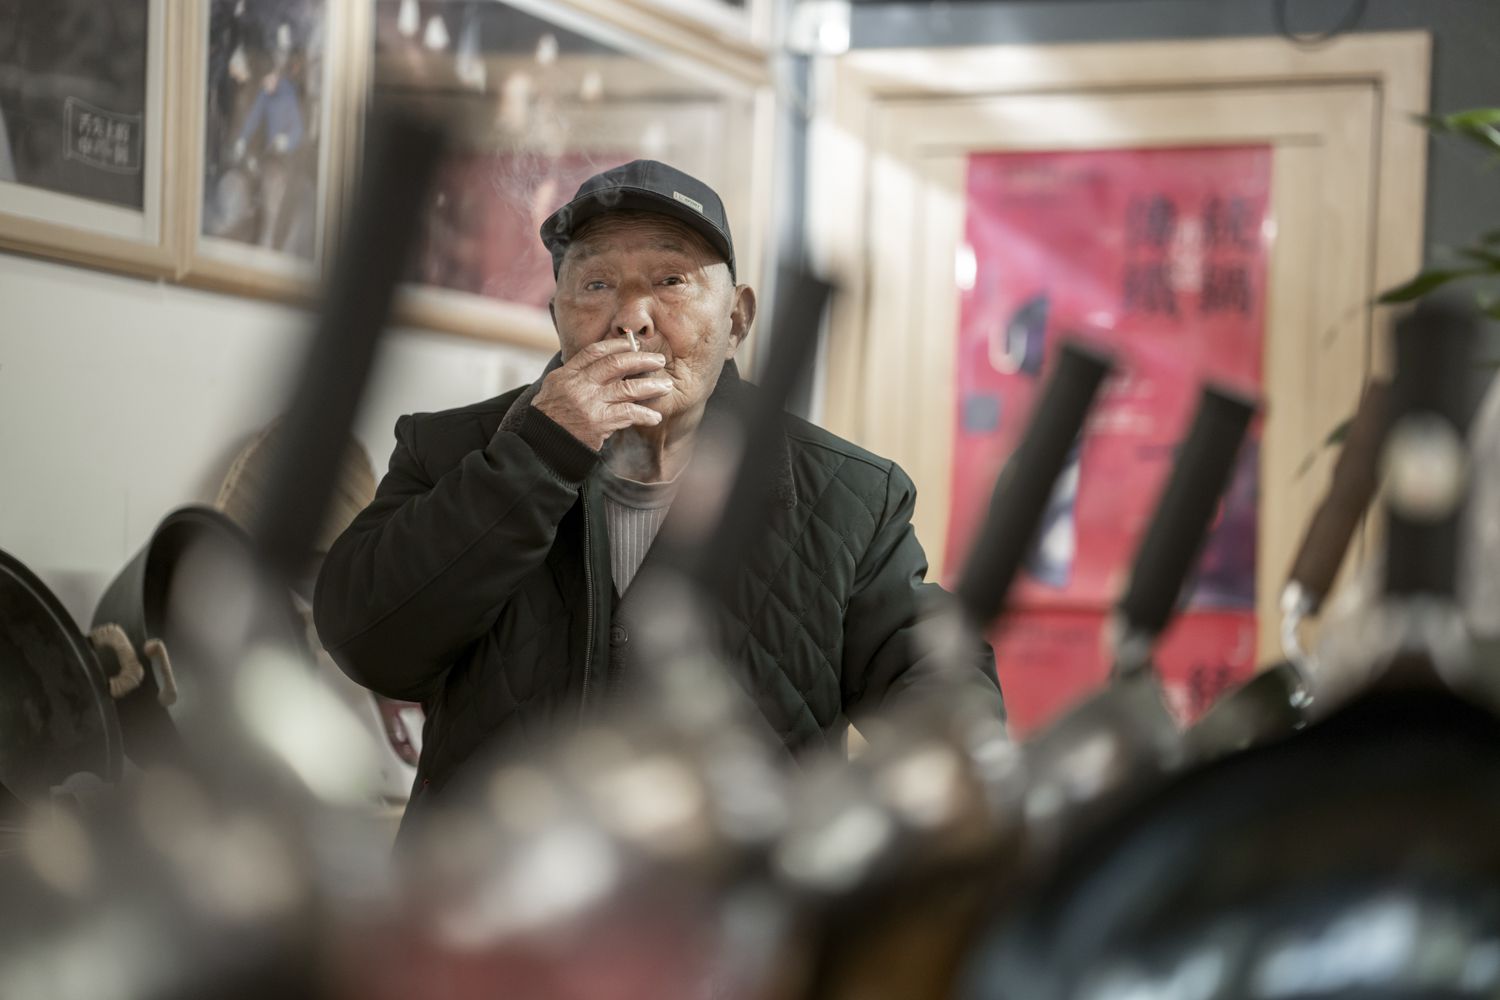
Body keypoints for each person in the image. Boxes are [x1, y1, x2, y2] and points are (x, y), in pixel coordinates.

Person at [314, 160, 1003, 836]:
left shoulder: (850, 493)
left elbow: (937, 682)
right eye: (597, 282)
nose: (631, 319)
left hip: (729, 921)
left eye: (671, 281)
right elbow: (369, 643)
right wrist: (534, 458)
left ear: (738, 318)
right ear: (557, 313)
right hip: (490, 904)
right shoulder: (450, 449)